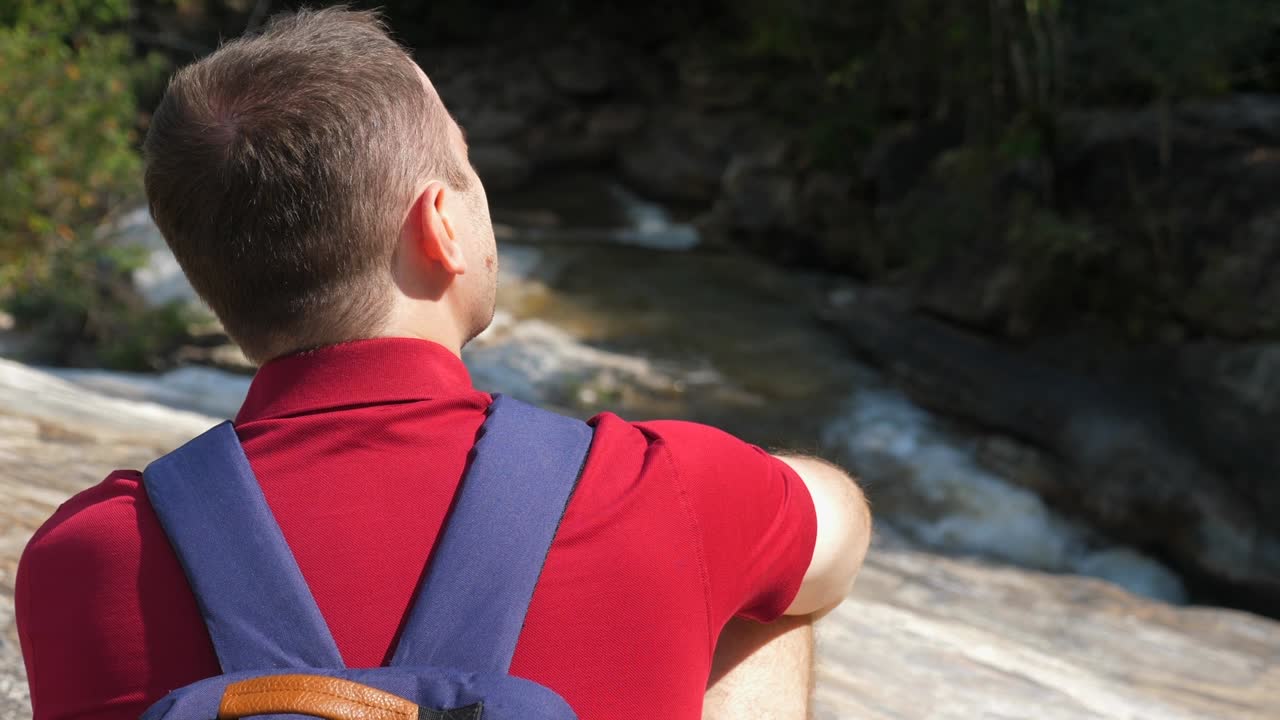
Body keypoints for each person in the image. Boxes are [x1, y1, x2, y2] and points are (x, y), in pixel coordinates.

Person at [16, 8, 871, 720]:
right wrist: (739, 489)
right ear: (440, 227)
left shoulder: (84, 558)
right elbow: (838, 538)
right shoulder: (655, 486)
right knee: (763, 601)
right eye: (465, 169)